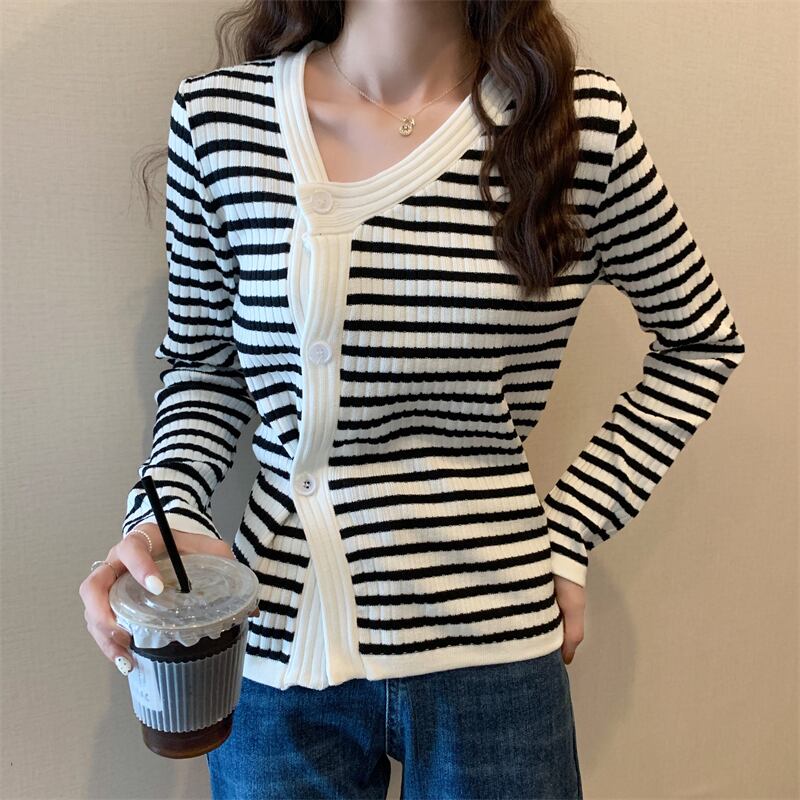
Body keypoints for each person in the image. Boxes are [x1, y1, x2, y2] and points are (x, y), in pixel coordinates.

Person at [79, 1, 747, 798]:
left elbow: (701, 342)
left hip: (496, 647)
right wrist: (169, 516)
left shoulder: (576, 126)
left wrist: (569, 528)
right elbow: (204, 367)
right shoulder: (220, 120)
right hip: (275, 650)